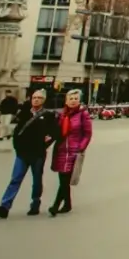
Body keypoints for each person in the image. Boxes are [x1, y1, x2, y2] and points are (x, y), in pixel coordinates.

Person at [0, 89, 56, 219]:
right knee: (15, 179)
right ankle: (5, 206)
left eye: (39, 98)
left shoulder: (48, 115)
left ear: (43, 100)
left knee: (36, 180)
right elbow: (17, 131)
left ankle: (35, 203)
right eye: (34, 97)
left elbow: (54, 133)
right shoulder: (25, 113)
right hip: (22, 153)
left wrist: (45, 144)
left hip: (37, 154)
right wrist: (17, 147)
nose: (36, 100)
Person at [49, 88, 93, 216]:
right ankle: (67, 204)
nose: (73, 101)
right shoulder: (62, 115)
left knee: (65, 179)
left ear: (79, 101)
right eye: (71, 99)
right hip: (61, 150)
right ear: (66, 101)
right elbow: (56, 131)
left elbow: (87, 133)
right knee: (62, 179)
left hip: (74, 151)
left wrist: (81, 147)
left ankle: (55, 205)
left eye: (76, 99)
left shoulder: (83, 114)